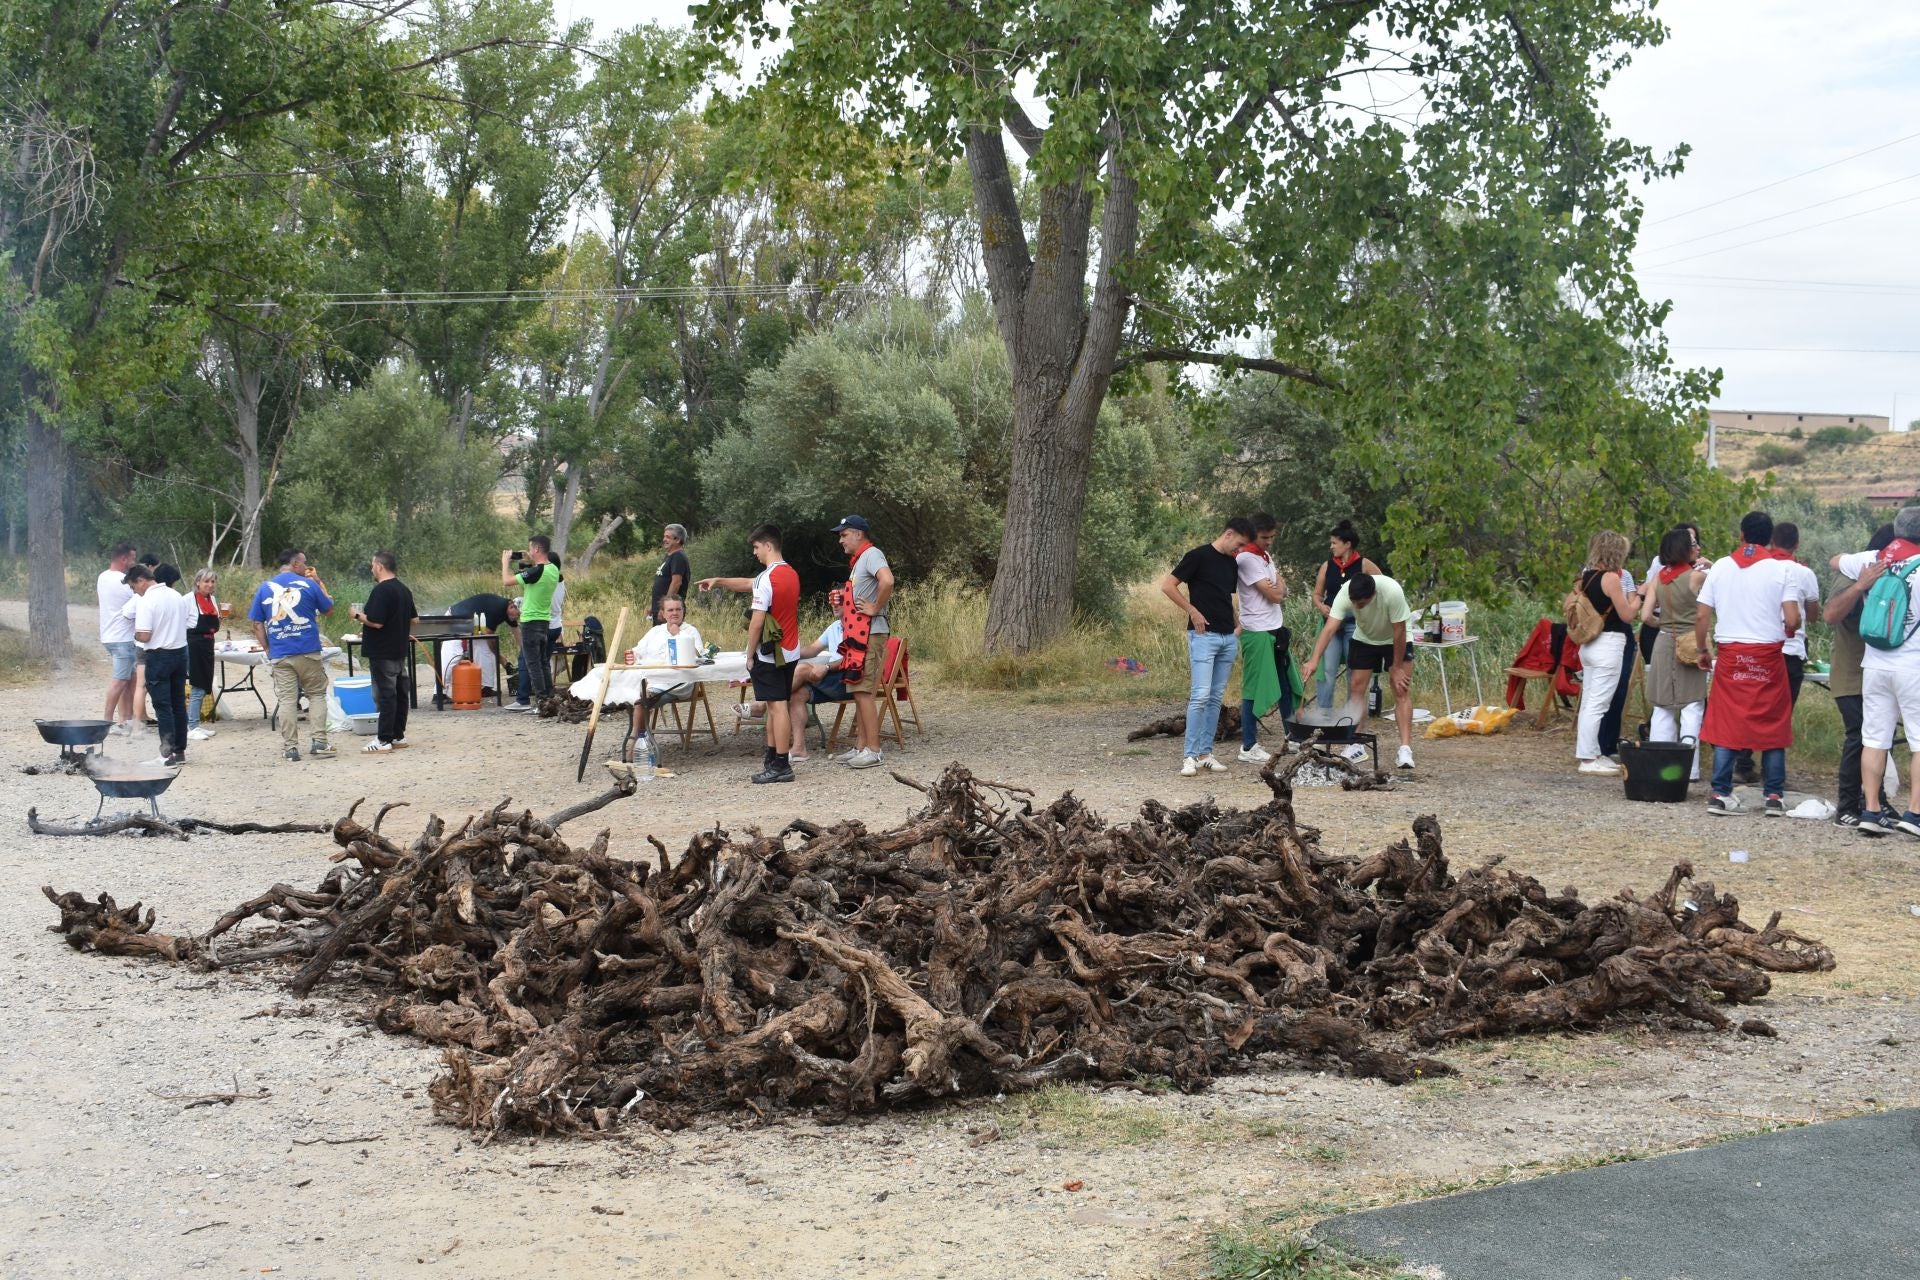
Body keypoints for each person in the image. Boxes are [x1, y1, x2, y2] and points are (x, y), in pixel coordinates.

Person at [1695, 511, 1799, 818]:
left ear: (1741, 536)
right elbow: (1792, 618)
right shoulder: (1783, 571)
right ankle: (1774, 796)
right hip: (1767, 656)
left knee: (1726, 722)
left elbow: (1702, 615)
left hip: (1730, 656)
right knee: (1773, 724)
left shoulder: (1722, 567)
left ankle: (1719, 793)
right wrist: (1791, 627)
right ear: (1769, 539)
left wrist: (1703, 649)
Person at [1831, 506, 1920, 837]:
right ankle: (1914, 813)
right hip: (1913, 665)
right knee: (1918, 741)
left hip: (1874, 664)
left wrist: (1868, 569)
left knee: (1874, 739)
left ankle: (1870, 810)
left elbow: (1835, 560)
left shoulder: (1874, 559)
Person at [698, 524, 801, 784]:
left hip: (770, 653)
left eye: (756, 547)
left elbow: (757, 621)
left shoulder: (768, 578)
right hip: (791, 651)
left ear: (768, 546)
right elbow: (748, 583)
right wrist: (718, 581)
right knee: (775, 706)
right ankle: (772, 757)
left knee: (777, 708)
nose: (755, 552)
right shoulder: (789, 573)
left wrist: (750, 654)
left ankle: (781, 764)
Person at [1161, 518, 1254, 776]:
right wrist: (1193, 611)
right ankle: (1189, 756)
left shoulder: (1230, 563)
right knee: (1200, 695)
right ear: (1228, 533)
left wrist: (1238, 626)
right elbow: (1167, 586)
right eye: (1239, 544)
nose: (1240, 550)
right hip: (1203, 637)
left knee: (1215, 698)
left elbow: (1224, 597)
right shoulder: (1198, 556)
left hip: (1227, 637)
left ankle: (1205, 753)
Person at [1301, 569, 1417, 769]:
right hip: (1364, 639)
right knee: (1355, 689)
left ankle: (1405, 750)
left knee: (1401, 689)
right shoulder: (1346, 592)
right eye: (1354, 603)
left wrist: (1396, 667)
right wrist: (1313, 660)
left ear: (1372, 596)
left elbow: (1400, 630)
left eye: (1361, 604)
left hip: (1396, 640)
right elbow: (1329, 629)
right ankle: (1356, 744)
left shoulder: (1392, 591)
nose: (1356, 607)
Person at [1823, 524, 1897, 829]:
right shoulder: (1851, 574)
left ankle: (1876, 802)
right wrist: (1860, 586)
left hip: (1881, 672)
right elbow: (1829, 615)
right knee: (1858, 737)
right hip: (1852, 673)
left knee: (1880, 739)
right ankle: (1846, 804)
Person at [249, 547, 336, 763]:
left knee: (287, 700)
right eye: (304, 563)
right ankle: (319, 743)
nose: (307, 567)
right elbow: (329, 609)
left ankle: (290, 749)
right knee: (316, 695)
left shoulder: (264, 588)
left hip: (281, 653)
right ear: (295, 564)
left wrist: (268, 649)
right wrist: (318, 581)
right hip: (308, 650)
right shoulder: (309, 584)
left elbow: (256, 623)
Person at [826, 515, 895, 769]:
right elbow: (860, 598)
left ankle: (874, 751)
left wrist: (875, 607)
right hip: (858, 633)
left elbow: (887, 580)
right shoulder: (859, 562)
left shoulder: (872, 553)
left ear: (858, 534)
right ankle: (860, 746)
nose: (841, 540)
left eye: (844, 535)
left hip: (871, 632)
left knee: (863, 690)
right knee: (858, 689)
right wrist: (842, 606)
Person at [1640, 527, 1708, 782]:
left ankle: (1659, 763)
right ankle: (1689, 769)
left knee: (1663, 704)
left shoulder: (1658, 577)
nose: (1696, 546)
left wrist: (1665, 626)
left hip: (1663, 642)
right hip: (1690, 641)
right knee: (1692, 704)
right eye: (1692, 543)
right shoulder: (1696, 577)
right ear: (1684, 548)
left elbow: (1646, 616)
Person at [1570, 531, 1640, 776]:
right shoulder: (1611, 578)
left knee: (1590, 700)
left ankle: (1592, 752)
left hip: (1589, 644)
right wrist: (1640, 595)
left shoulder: (1587, 576)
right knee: (1597, 704)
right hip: (1608, 643)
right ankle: (1588, 759)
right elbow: (1627, 615)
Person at [617, 595, 706, 763]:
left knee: (642, 699)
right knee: (636, 695)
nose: (675, 613)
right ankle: (640, 740)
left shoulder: (689, 630)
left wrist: (677, 634)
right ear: (663, 613)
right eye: (670, 610)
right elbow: (638, 651)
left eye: (678, 609)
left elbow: (698, 656)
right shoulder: (655, 631)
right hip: (651, 678)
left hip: (676, 683)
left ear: (683, 611)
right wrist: (631, 655)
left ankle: (634, 741)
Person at [1309, 521, 1383, 714]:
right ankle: (1323, 715)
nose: (1331, 546)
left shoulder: (1364, 564)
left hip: (1355, 625)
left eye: (1334, 542)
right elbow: (1317, 594)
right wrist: (1320, 605)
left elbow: (1382, 585)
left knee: (1354, 670)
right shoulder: (1327, 566)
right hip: (1331, 623)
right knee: (1327, 670)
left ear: (1347, 544)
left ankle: (1352, 715)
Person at [1234, 512, 1291, 763]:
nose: (1269, 542)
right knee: (1254, 689)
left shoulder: (1265, 555)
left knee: (1286, 683)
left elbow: (1282, 586)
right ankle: (1248, 745)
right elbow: (1276, 595)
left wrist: (1278, 586)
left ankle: (1293, 736)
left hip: (1274, 627)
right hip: (1256, 630)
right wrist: (1277, 588)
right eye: (1265, 537)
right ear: (1252, 535)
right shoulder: (1247, 558)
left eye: (1272, 537)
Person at [352, 550, 418, 754]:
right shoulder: (404, 589)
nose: (372, 569)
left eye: (373, 565)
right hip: (399, 649)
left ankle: (383, 739)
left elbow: (377, 622)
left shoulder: (382, 590)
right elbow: (415, 620)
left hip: (382, 651)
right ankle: (398, 735)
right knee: (400, 693)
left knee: (385, 695)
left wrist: (357, 615)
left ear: (380, 566)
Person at [131, 564, 191, 767]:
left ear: (141, 580)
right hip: (181, 653)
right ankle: (180, 750)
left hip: (159, 656)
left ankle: (166, 755)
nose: (135, 591)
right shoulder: (176, 595)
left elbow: (145, 635)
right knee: (178, 703)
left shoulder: (147, 601)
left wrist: (135, 634)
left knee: (162, 706)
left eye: (133, 587)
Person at [502, 537, 561, 710]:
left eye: (530, 548)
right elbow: (534, 572)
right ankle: (549, 697)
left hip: (530, 621)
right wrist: (529, 560)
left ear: (536, 549)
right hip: (544, 621)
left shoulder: (538, 571)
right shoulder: (553, 570)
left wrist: (505, 562)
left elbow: (507, 581)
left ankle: (542, 702)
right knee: (542, 662)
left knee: (532, 663)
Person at [98, 541, 140, 736]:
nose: (133, 563)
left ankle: (125, 719)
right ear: (124, 559)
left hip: (110, 635)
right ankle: (106, 722)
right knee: (120, 680)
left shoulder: (103, 577)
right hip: (122, 637)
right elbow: (140, 598)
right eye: (132, 559)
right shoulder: (122, 581)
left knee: (130, 679)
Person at [444, 592, 518, 693]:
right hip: (456, 618)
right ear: (511, 606)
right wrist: (502, 661)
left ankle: (485, 688)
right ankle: (439, 693)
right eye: (518, 613)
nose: (518, 616)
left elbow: (517, 633)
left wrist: (525, 653)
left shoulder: (509, 612)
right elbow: (490, 637)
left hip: (475, 623)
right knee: (453, 655)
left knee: (484, 649)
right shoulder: (498, 609)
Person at [184, 568, 221, 742]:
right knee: (197, 686)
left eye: (212, 581)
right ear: (197, 582)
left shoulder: (212, 599)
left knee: (205, 684)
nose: (209, 585)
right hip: (194, 645)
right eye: (206, 581)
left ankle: (195, 724)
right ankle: (191, 726)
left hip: (208, 644)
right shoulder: (188, 599)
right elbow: (180, 623)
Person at [650, 524, 691, 624]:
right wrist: (654, 607)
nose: (664, 539)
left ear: (677, 540)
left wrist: (666, 607)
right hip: (663, 609)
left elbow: (676, 583)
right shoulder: (669, 556)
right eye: (664, 536)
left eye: (668, 537)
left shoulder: (678, 557)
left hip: (670, 610)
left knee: (668, 639)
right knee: (658, 638)